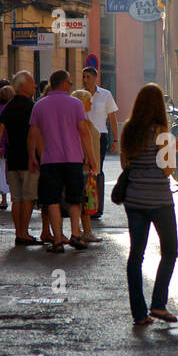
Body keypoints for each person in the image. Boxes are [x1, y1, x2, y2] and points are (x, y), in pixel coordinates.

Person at [120, 83, 178, 325]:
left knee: (136, 255)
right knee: (170, 251)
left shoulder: (128, 129)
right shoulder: (161, 131)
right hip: (159, 201)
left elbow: (125, 165)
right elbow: (168, 170)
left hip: (134, 199)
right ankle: (158, 304)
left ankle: (139, 313)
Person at [28, 69, 97, 252]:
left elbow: (33, 134)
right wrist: (91, 158)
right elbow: (84, 132)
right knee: (75, 199)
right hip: (73, 159)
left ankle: (58, 240)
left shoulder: (39, 105)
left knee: (52, 200)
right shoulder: (75, 104)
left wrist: (31, 158)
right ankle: (75, 234)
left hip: (49, 160)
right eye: (70, 83)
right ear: (65, 83)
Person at [1, 71, 40, 245]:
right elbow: (35, 134)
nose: (35, 85)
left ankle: (18, 233)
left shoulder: (8, 106)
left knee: (16, 199)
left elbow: (4, 133)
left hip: (12, 158)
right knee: (28, 197)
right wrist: (37, 155)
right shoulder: (32, 106)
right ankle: (24, 233)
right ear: (23, 86)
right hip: (27, 158)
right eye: (32, 82)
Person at [71, 88, 103, 243]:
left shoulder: (85, 118)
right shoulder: (80, 121)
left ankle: (85, 230)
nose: (91, 103)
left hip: (87, 164)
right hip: (84, 165)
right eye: (88, 100)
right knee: (84, 199)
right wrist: (90, 161)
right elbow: (83, 142)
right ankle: (83, 231)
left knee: (85, 199)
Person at [81, 66, 119, 158]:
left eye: (88, 77)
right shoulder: (79, 95)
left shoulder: (106, 94)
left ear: (95, 78)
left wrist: (115, 140)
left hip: (100, 135)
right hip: (83, 135)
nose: (85, 80)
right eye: (83, 77)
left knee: (98, 166)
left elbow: (112, 119)